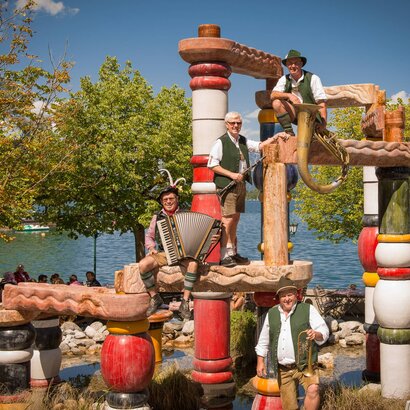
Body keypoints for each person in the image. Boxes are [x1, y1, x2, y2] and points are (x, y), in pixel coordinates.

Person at [140, 177, 219, 320]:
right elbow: (149, 236)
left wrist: (211, 239)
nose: (168, 202)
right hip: (164, 253)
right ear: (161, 202)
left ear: (177, 199)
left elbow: (202, 236)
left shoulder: (187, 214)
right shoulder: (157, 217)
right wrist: (151, 248)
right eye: (165, 200)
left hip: (183, 255)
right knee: (143, 265)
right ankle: (155, 297)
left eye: (171, 199)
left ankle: (185, 302)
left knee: (193, 264)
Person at [208, 111, 279, 267]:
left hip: (241, 185)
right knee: (227, 220)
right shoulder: (220, 142)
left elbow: (259, 146)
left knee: (235, 219)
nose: (236, 125)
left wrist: (276, 137)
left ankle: (232, 252)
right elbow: (212, 165)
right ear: (226, 124)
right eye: (232, 123)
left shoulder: (243, 140)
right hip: (227, 185)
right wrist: (232, 175)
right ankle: (224, 255)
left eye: (238, 123)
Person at [255, 275, 329, 410]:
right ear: (279, 298)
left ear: (296, 295)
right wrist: (260, 362)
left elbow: (324, 330)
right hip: (283, 368)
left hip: (306, 364)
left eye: (290, 295)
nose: (287, 299)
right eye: (283, 296)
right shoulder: (271, 313)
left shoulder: (307, 309)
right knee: (290, 407)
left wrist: (316, 334)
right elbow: (263, 340)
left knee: (313, 389)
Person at [270, 49, 327, 136]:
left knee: (312, 141)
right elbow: (273, 95)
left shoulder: (313, 78)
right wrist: (289, 96)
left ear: (301, 64)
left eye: (296, 63)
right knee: (276, 103)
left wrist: (324, 124)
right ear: (287, 65)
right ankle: (289, 132)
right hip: (294, 114)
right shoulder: (284, 79)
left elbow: (321, 102)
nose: (293, 66)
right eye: (290, 63)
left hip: (312, 116)